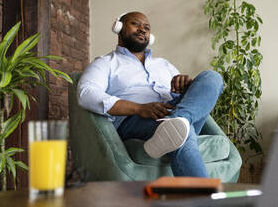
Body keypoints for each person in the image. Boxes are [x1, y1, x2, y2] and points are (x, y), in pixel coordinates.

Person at [77, 11, 223, 177]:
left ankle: (177, 121)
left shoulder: (164, 65)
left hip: (172, 111)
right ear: (119, 27)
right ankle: (205, 200)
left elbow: (192, 97)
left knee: (212, 77)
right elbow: (86, 93)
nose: (142, 29)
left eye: (146, 27)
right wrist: (138, 108)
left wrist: (187, 86)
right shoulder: (105, 63)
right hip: (136, 121)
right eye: (135, 24)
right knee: (184, 129)